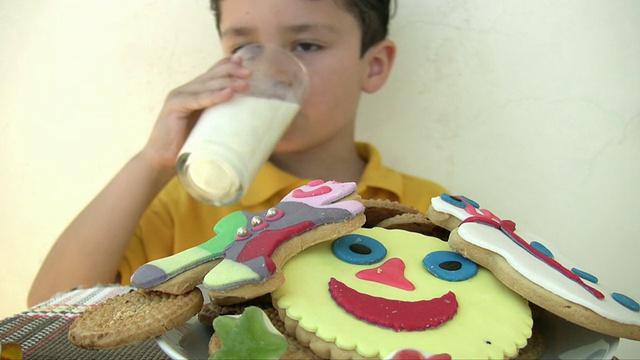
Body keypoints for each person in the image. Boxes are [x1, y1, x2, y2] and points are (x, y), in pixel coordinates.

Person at [27, 0, 446, 306]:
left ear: (372, 66)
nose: (274, 71)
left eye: (306, 46)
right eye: (243, 51)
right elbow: (49, 311)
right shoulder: (181, 203)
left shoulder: (423, 210)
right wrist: (152, 162)